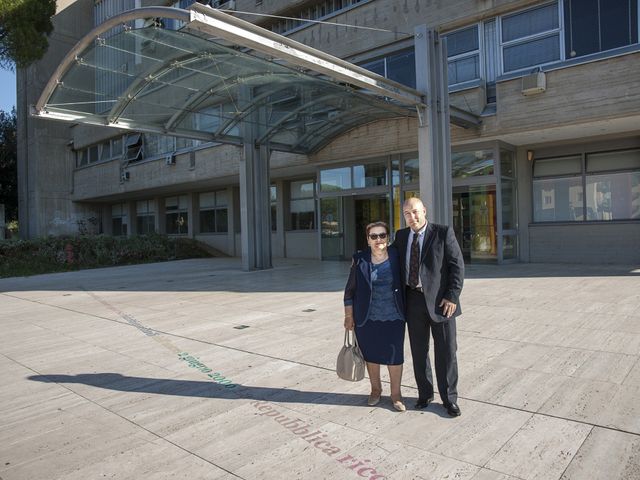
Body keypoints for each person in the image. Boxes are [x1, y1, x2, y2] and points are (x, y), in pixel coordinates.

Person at [394, 197, 464, 417]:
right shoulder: (401, 236)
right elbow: (385, 255)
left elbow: (457, 267)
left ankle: (449, 399)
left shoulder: (443, 233)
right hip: (413, 300)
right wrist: (362, 258)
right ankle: (425, 394)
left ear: (424, 210)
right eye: (407, 213)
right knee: (419, 351)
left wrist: (452, 297)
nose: (412, 217)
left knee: (446, 352)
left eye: (415, 211)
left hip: (442, 303)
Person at [343, 221, 407, 412]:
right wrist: (349, 316)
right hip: (367, 319)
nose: (378, 239)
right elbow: (349, 291)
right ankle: (376, 390)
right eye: (374, 236)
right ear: (368, 239)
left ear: (388, 238)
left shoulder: (397, 255)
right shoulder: (360, 259)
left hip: (395, 316)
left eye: (382, 235)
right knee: (372, 356)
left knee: (395, 357)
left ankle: (396, 395)